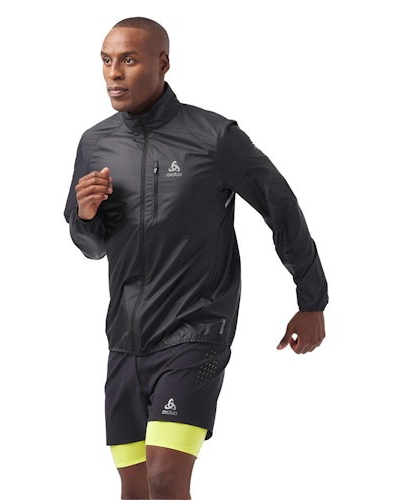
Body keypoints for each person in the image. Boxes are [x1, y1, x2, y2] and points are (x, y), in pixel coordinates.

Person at [64, 16, 328, 500]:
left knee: (165, 478)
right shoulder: (96, 143)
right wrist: (85, 215)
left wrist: (312, 300)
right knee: (135, 488)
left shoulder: (214, 136)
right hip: (124, 341)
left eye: (128, 60)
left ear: (163, 63)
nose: (114, 73)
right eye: (106, 60)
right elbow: (91, 246)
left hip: (196, 333)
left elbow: (280, 206)